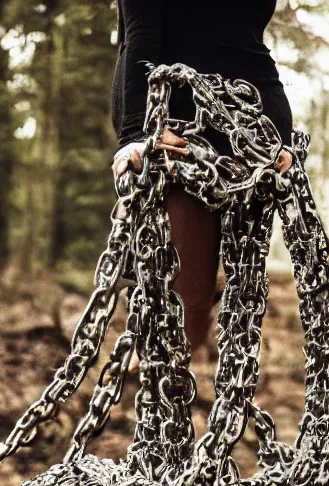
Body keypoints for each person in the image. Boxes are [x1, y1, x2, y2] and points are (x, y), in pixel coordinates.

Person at [111, 0, 294, 373]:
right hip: (220, 121)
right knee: (189, 297)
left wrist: (134, 132)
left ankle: (180, 357)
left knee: (204, 294)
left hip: (218, 126)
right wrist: (135, 131)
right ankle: (178, 358)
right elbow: (143, 36)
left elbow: (143, 36)